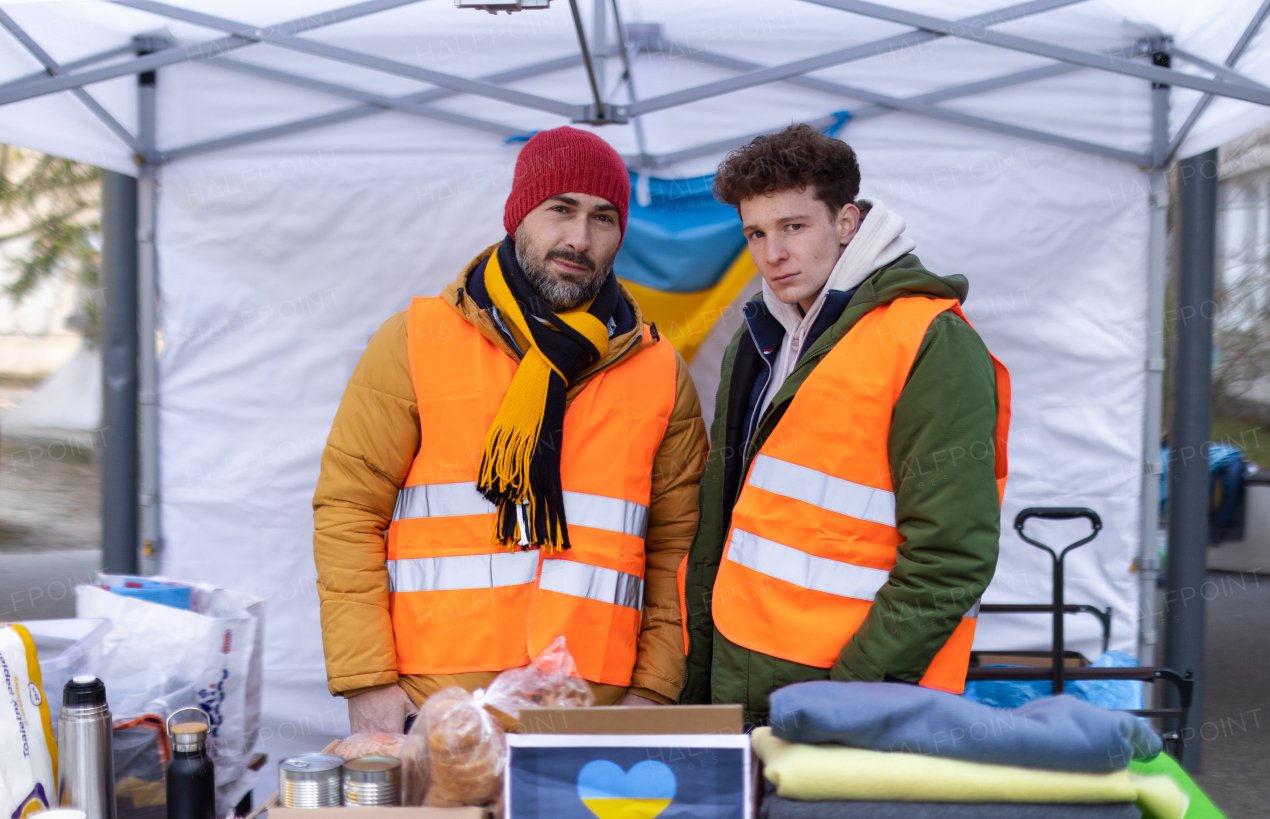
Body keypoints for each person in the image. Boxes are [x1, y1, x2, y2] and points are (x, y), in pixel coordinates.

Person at [314, 127, 708, 734]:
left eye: (604, 219)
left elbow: (676, 549)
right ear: (519, 212)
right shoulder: (416, 341)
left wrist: (654, 694)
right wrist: (368, 683)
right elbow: (347, 513)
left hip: (591, 717)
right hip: (436, 709)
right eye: (561, 210)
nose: (579, 238)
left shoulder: (658, 370)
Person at [679, 125, 1011, 724]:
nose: (772, 254)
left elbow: (950, 556)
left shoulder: (930, 339)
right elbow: (727, 518)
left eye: (794, 227)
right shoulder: (759, 337)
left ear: (847, 224)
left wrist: (854, 694)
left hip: (841, 691)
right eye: (755, 233)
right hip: (738, 672)